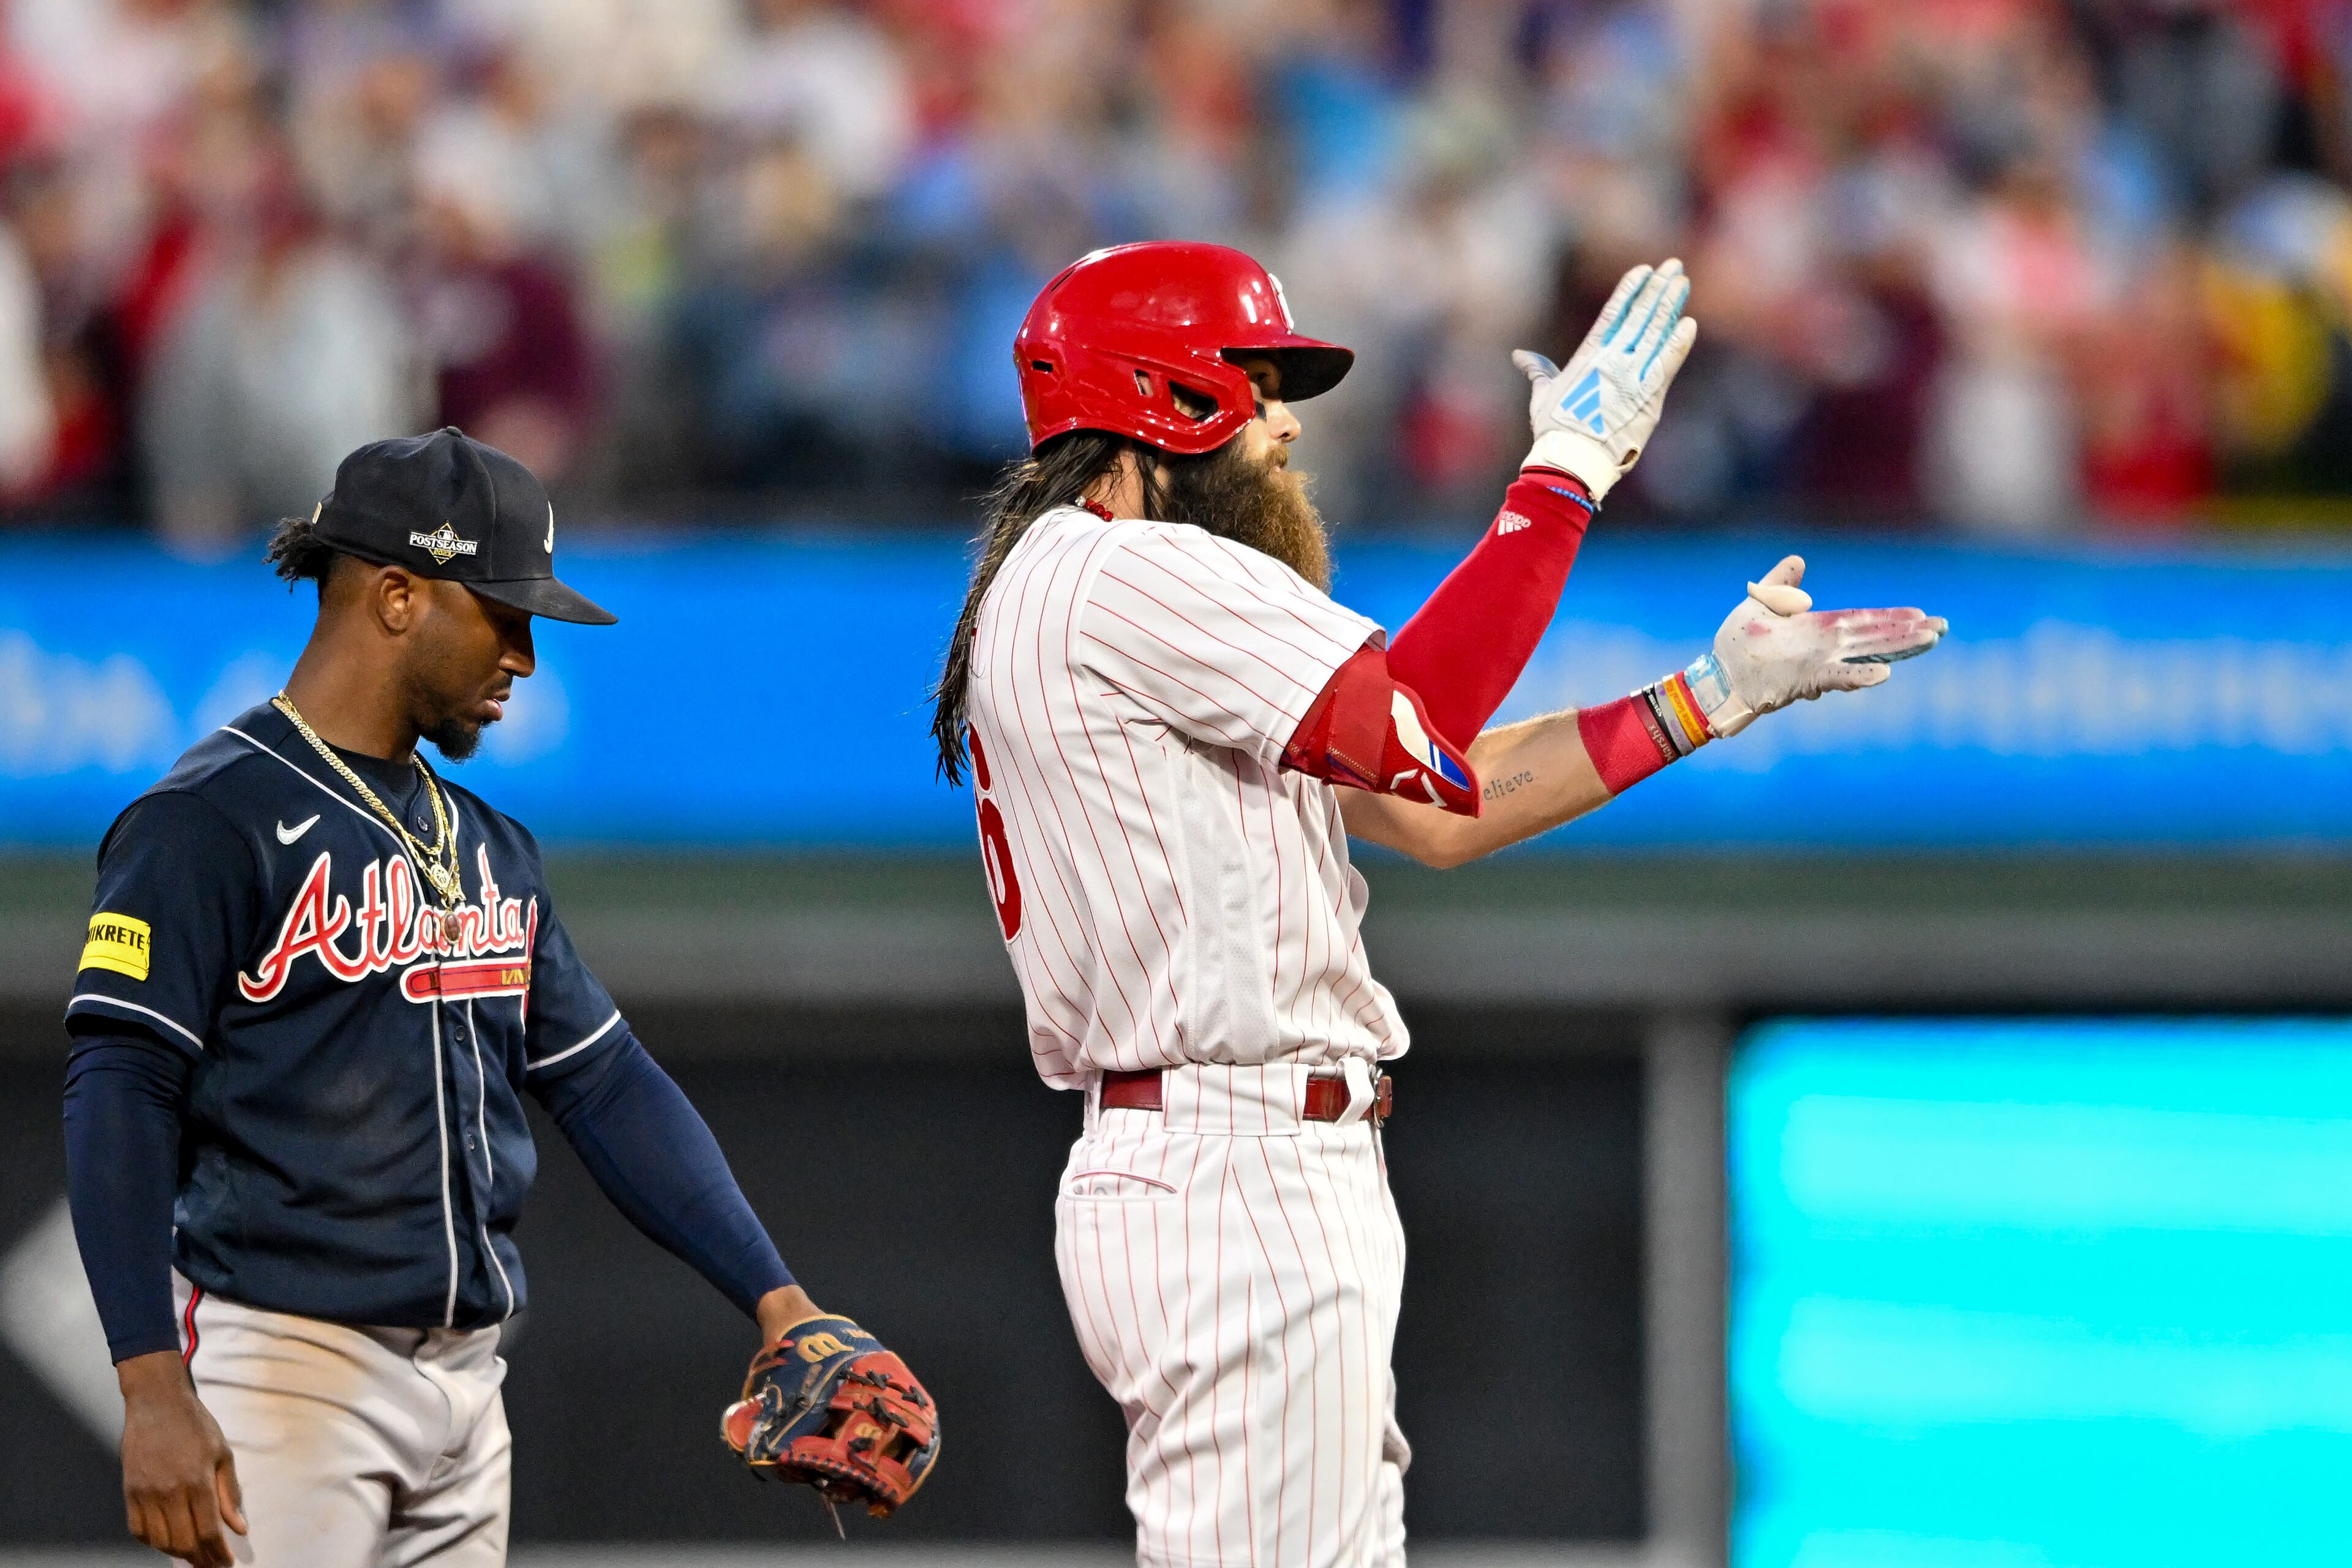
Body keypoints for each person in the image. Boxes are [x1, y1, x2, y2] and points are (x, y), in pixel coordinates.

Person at [929, 242, 1946, 1567]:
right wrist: (1562, 480)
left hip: (1223, 1159)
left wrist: (1706, 695)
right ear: (1164, 397)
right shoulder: (1124, 571)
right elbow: (1422, 718)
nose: (1287, 423)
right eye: (1257, 381)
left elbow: (1431, 801)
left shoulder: (1091, 589)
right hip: (1234, 1157)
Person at [63, 428, 935, 1567]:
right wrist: (149, 1382)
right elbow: (121, 1086)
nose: (525, 655)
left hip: (471, 1387)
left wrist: (778, 1299)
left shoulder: (487, 846)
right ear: (394, 595)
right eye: (503, 612)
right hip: (288, 1369)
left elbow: (608, 1083)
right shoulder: (207, 822)